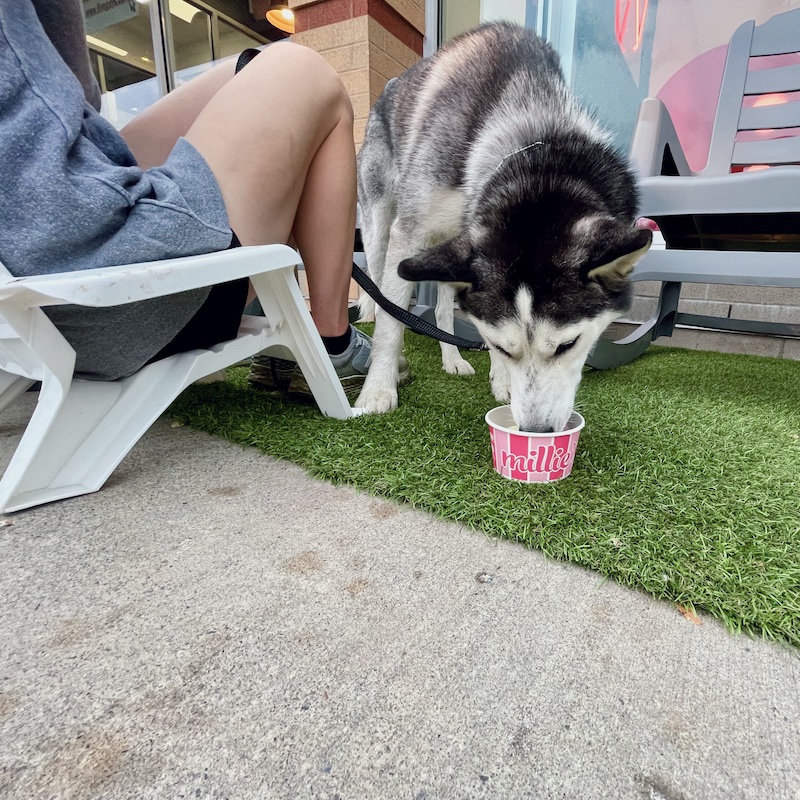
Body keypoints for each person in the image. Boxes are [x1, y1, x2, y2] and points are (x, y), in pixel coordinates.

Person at [0, 0, 373, 400]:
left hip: (24, 285)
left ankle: (282, 319)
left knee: (246, 69)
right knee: (306, 73)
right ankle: (330, 338)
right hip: (81, 292)